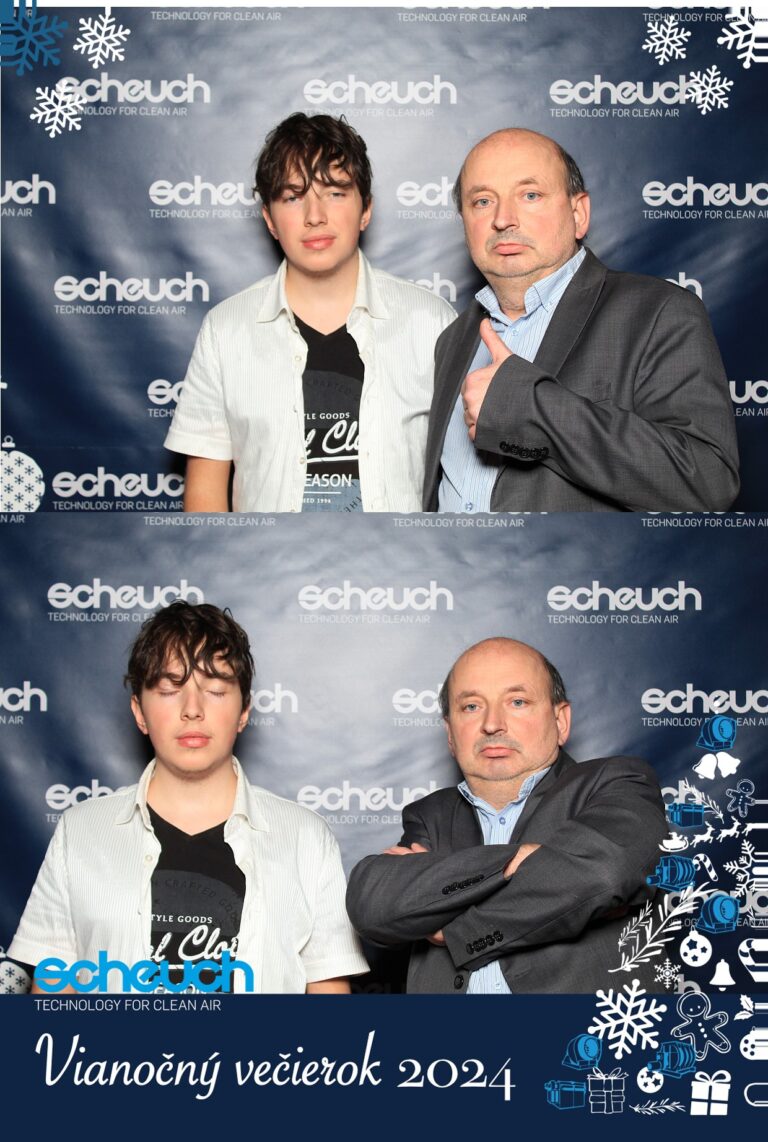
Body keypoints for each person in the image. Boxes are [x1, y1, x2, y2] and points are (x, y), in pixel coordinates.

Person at [9, 601, 368, 994]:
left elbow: (328, 998)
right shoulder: (80, 831)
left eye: (215, 689)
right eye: (169, 689)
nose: (192, 709)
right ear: (139, 712)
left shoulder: (305, 837)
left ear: (244, 710)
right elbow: (52, 991)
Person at [423, 128, 739, 512]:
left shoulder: (657, 312)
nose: (503, 219)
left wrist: (529, 405)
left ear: (578, 214)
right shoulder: (454, 338)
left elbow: (707, 480)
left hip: (572, 572)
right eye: (482, 201)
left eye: (530, 195)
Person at [164, 112, 455, 513]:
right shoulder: (225, 328)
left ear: (365, 209)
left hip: (401, 569)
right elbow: (206, 490)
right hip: (266, 568)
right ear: (269, 218)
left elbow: (465, 477)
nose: (315, 215)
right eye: (293, 196)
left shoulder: (431, 321)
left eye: (335, 192)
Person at [346, 637, 668, 993]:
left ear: (561, 721)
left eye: (517, 702)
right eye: (470, 706)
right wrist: (528, 863)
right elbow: (372, 905)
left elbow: (605, 875)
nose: (492, 724)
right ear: (450, 734)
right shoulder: (429, 815)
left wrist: (454, 930)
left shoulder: (616, 782)